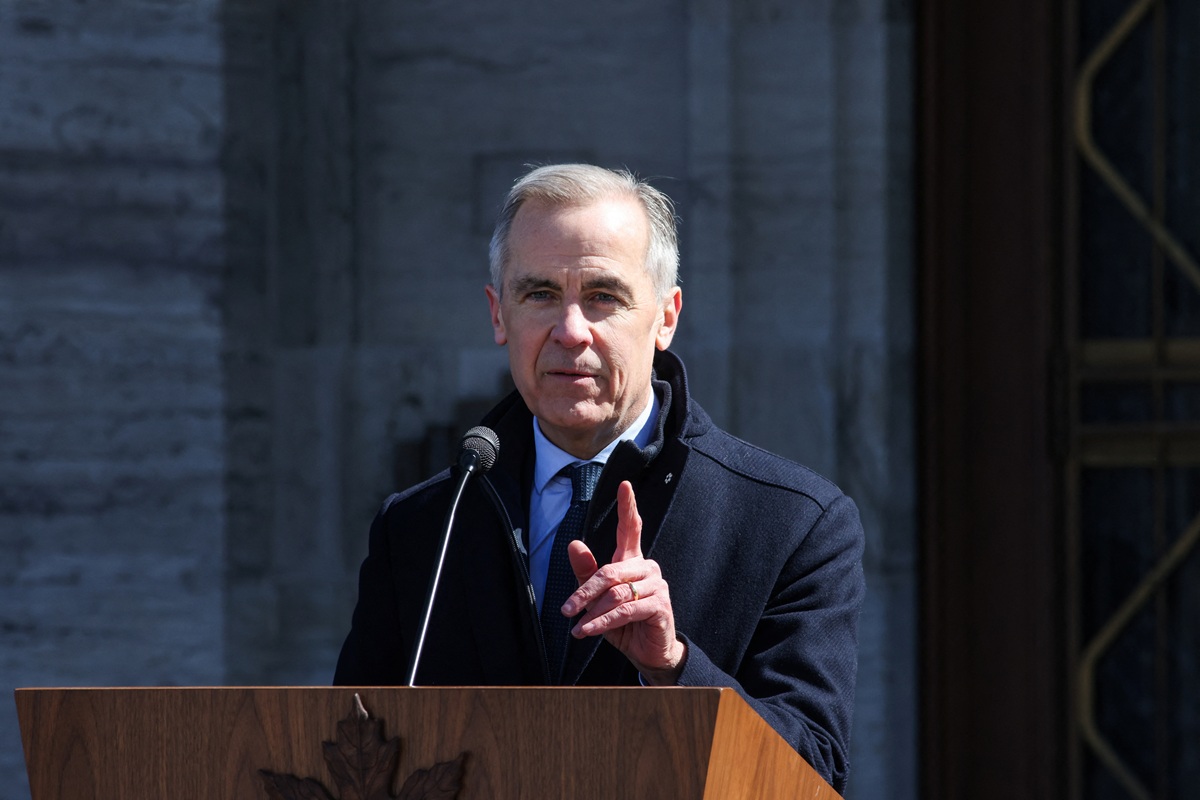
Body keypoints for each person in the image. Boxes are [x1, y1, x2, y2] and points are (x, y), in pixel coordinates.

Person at [334, 163, 865, 792]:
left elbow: (813, 776)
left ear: (666, 317)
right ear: (498, 315)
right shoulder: (425, 526)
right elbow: (352, 746)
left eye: (604, 297)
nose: (570, 331)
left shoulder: (794, 522)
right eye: (539, 295)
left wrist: (675, 668)